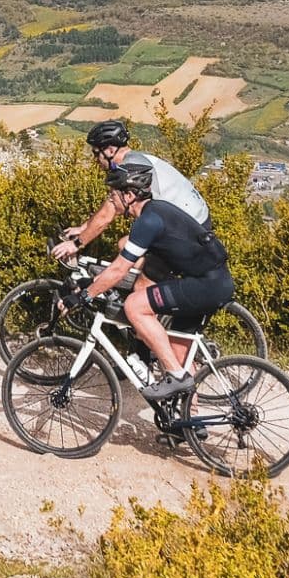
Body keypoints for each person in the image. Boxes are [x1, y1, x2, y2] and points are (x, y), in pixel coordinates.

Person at [69, 160, 235, 402]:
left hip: (206, 285)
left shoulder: (148, 221)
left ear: (129, 195)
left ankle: (175, 376)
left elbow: (119, 269)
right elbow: (124, 264)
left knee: (135, 305)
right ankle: (187, 418)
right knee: (178, 354)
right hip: (212, 282)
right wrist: (93, 284)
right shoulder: (155, 211)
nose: (110, 200)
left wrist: (85, 295)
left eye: (113, 194)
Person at [50, 119, 207, 265]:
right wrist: (83, 228)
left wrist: (76, 244)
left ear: (110, 150)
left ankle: (151, 283)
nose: (95, 159)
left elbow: (107, 215)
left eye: (97, 153)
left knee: (127, 247)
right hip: (194, 219)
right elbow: (110, 204)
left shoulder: (130, 171)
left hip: (191, 228)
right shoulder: (135, 160)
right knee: (129, 247)